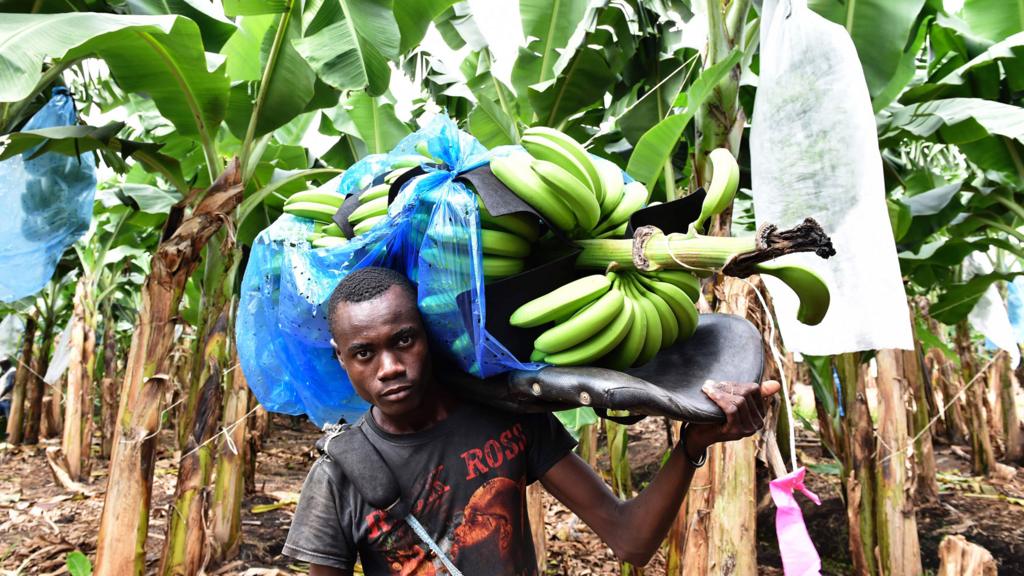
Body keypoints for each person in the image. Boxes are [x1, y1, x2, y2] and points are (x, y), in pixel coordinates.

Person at [284, 267, 779, 575]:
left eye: (404, 341)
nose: (389, 366)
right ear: (341, 359)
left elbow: (630, 539)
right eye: (364, 353)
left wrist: (693, 444)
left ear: (428, 336)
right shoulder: (338, 477)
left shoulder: (508, 419)